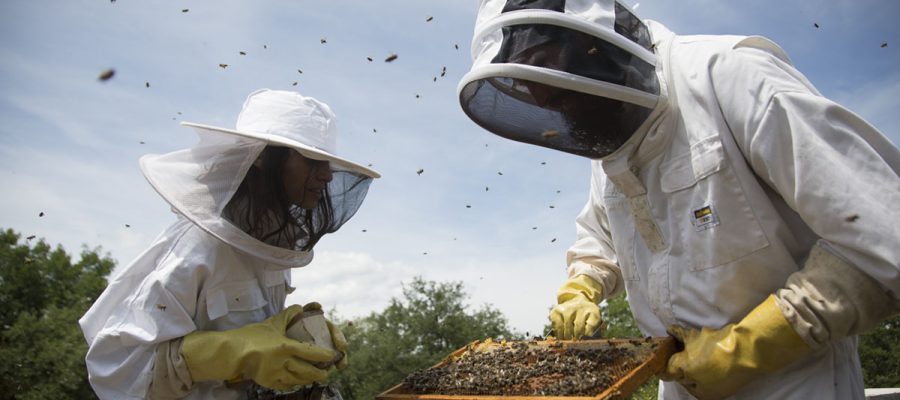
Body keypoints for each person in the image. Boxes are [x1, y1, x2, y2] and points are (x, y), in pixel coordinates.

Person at [457, 1, 900, 399]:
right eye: (533, 86)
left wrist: (754, 344)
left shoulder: (730, 76)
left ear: (587, 41)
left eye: (546, 70)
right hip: (682, 384)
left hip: (798, 383)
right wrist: (582, 286)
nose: (552, 104)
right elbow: (602, 235)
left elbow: (883, 231)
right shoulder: (611, 133)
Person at [79, 89, 380, 399]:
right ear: (262, 156)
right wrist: (230, 351)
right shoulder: (198, 246)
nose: (327, 176)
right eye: (313, 160)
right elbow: (114, 369)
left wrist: (292, 332)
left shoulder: (271, 250)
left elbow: (249, 357)